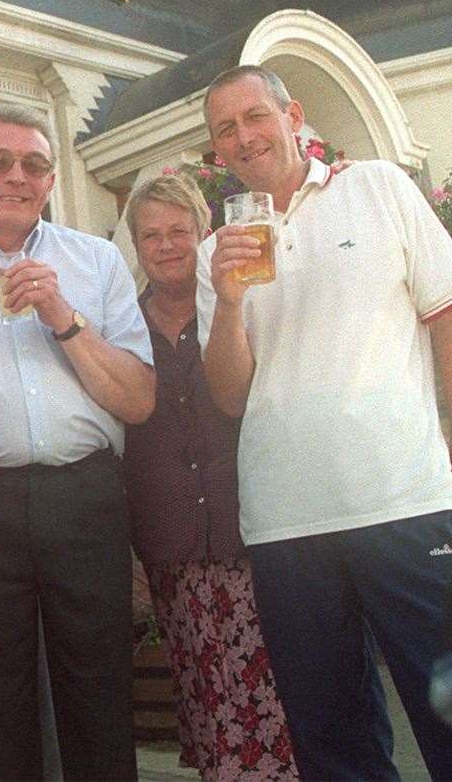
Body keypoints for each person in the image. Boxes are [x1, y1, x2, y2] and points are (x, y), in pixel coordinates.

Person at [196, 65, 452, 782]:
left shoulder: (377, 187)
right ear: (216, 149)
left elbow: (451, 323)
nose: (243, 136)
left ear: (292, 115)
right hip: (285, 523)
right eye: (225, 128)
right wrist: (227, 302)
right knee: (331, 743)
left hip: (402, 502)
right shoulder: (218, 250)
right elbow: (228, 396)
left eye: (254, 116)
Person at [0, 104, 155, 782]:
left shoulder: (95, 260)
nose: (16, 175)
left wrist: (61, 315)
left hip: (85, 493)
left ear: (49, 180)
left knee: (98, 690)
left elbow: (137, 398)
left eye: (33, 164)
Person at [123, 173, 296, 782]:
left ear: (203, 234)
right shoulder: (122, 322)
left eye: (179, 232)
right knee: (204, 695)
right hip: (169, 542)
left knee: (268, 696)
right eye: (151, 236)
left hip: (246, 527)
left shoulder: (239, 303)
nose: (167, 246)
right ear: (136, 246)